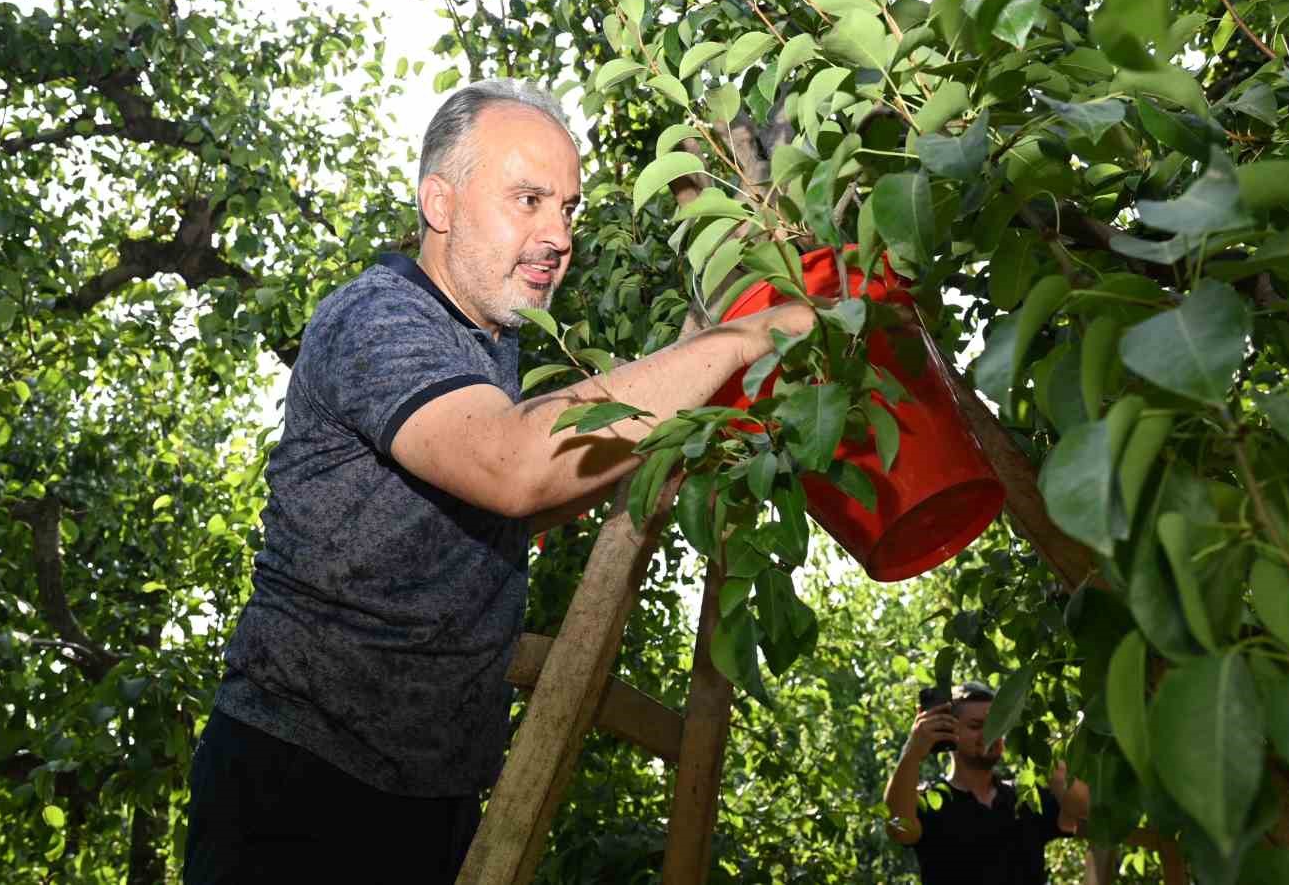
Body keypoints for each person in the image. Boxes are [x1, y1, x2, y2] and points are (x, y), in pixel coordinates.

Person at [182, 79, 816, 885]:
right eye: (528, 199)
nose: (558, 233)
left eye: (569, 209)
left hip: (431, 796)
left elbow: (550, 482)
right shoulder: (379, 320)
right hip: (300, 789)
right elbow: (515, 465)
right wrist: (735, 341)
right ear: (439, 203)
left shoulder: (487, 348)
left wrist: (697, 406)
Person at [884, 681, 1090, 885]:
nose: (989, 733)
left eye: (996, 724)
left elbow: (1091, 818)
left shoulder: (1026, 798)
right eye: (976, 726)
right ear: (948, 731)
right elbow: (898, 828)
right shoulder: (931, 801)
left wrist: (1040, 752)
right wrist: (912, 751)